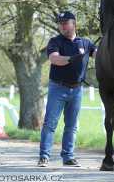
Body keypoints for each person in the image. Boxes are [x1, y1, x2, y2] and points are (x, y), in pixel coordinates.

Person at [38, 11, 97, 167]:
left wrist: (107, 46)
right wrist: (70, 59)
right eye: (60, 23)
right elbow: (54, 59)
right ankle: (44, 156)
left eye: (65, 23)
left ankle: (68, 157)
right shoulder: (55, 41)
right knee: (50, 123)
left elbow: (98, 54)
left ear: (74, 23)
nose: (62, 26)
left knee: (72, 125)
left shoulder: (85, 42)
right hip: (58, 87)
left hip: (77, 90)